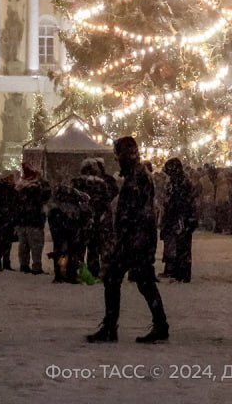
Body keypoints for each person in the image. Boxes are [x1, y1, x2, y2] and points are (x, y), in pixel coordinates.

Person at [86, 136, 168, 344]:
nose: (117, 159)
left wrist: (125, 238)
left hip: (135, 239)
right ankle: (158, 324)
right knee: (142, 282)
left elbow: (135, 212)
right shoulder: (137, 174)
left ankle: (113, 327)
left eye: (118, 154)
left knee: (120, 279)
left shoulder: (137, 177)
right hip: (136, 239)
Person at [159, 157, 197, 282]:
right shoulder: (175, 183)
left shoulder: (182, 183)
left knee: (183, 245)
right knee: (177, 245)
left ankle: (183, 272)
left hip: (181, 218)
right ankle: (177, 270)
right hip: (176, 218)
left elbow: (183, 203)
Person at [14, 166, 50, 272]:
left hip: (22, 222)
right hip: (34, 222)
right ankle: (36, 266)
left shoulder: (19, 189)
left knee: (23, 245)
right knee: (36, 246)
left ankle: (24, 264)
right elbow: (46, 195)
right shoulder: (36, 189)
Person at [0, 172, 20, 271]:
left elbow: (16, 204)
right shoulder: (0, 191)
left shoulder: (13, 191)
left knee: (8, 242)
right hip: (2, 220)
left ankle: (6, 262)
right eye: (10, 178)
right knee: (1, 242)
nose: (12, 179)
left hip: (10, 220)